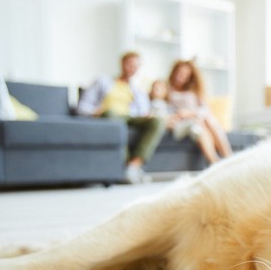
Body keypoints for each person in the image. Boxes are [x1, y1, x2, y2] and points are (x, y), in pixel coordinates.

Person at [77, 51, 167, 183]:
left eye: (136, 66)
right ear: (122, 63)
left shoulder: (137, 90)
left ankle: (133, 166)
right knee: (112, 114)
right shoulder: (102, 81)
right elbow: (82, 106)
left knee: (158, 121)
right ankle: (125, 166)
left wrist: (148, 115)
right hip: (109, 115)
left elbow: (144, 111)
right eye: (130, 64)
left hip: (130, 117)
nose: (132, 69)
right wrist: (94, 112)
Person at [166, 60, 232, 164]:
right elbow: (165, 109)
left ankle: (228, 158)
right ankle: (214, 161)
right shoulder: (168, 89)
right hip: (183, 121)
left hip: (197, 117)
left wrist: (190, 113)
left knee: (208, 120)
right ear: (174, 71)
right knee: (199, 124)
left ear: (189, 77)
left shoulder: (194, 90)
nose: (181, 76)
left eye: (185, 74)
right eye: (179, 72)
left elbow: (205, 109)